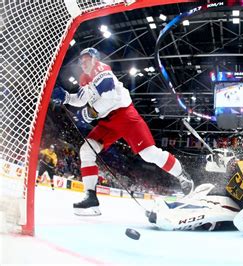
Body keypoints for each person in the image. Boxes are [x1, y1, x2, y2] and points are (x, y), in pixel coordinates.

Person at [51, 47, 194, 216]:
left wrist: (89, 114)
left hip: (124, 116)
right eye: (81, 60)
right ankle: (91, 198)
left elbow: (110, 97)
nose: (82, 62)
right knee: (86, 150)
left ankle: (182, 175)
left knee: (149, 154)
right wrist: (67, 97)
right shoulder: (84, 78)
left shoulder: (101, 69)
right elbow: (82, 99)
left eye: (86, 58)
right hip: (107, 122)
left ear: (95, 59)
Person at [147, 151, 243, 236]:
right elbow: (231, 166)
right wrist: (223, 161)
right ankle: (170, 206)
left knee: (213, 214)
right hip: (227, 194)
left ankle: (173, 221)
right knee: (203, 192)